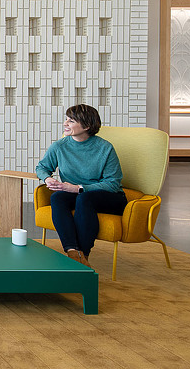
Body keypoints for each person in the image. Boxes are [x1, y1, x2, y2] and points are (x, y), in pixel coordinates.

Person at [35, 104, 125, 268]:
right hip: (77, 194)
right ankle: (73, 252)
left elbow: (113, 184)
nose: (65, 124)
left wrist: (78, 188)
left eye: (71, 121)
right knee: (57, 197)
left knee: (84, 198)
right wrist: (47, 179)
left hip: (108, 197)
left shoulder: (105, 148)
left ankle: (83, 254)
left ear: (87, 125)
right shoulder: (60, 146)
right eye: (66, 119)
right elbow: (42, 167)